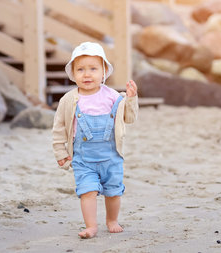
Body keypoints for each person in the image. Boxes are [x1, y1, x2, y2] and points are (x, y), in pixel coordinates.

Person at [52, 42, 138, 239]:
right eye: (80, 69)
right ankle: (91, 226)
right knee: (87, 192)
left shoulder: (113, 96)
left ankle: (112, 220)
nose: (87, 74)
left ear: (104, 72)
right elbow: (59, 128)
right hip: (83, 159)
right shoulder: (69, 100)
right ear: (73, 73)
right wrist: (60, 152)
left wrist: (131, 99)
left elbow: (129, 118)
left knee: (113, 192)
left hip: (111, 157)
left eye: (93, 69)